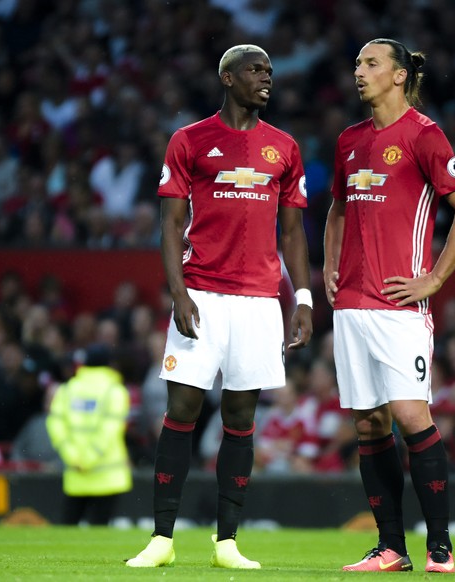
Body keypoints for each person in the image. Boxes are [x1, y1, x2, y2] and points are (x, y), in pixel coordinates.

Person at [126, 44, 313, 570]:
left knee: (241, 414)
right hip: (202, 293)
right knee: (182, 410)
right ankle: (162, 539)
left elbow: (295, 232)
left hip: (257, 302)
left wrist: (301, 298)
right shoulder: (189, 141)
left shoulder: (284, 147)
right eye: (256, 71)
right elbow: (168, 224)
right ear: (227, 79)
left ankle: (226, 541)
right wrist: (178, 292)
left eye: (270, 71)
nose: (266, 79)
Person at [323, 39, 455, 574]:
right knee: (369, 425)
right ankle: (390, 546)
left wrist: (435, 277)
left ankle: (440, 546)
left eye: (371, 63)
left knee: (412, 415)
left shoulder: (424, 134)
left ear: (398, 76)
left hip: (398, 304)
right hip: (351, 303)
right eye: (357, 63)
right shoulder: (348, 140)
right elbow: (338, 210)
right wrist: (329, 267)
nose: (359, 72)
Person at [46, 347, 131, 525]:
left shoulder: (67, 390)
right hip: (108, 477)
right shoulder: (115, 391)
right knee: (99, 535)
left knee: (67, 532)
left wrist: (74, 458)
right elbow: (110, 429)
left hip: (76, 474)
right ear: (110, 364)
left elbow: (55, 425)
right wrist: (89, 459)